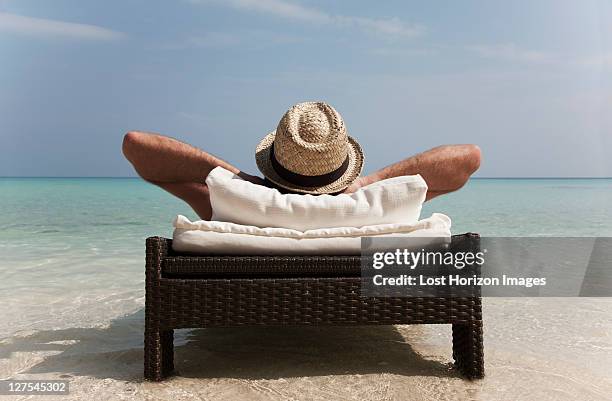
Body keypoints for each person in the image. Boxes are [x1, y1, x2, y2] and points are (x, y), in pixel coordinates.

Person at [122, 102, 481, 220]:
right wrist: (365, 185)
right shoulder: (372, 209)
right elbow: (468, 159)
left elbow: (137, 146)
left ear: (274, 159)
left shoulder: (237, 204)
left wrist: (237, 178)